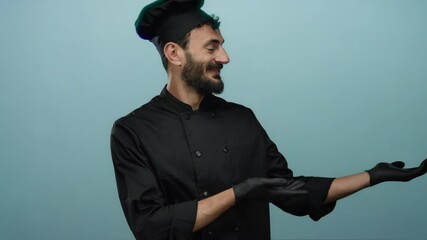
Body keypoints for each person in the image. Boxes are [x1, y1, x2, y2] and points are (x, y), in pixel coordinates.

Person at [110, 0, 427, 239]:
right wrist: (240, 191)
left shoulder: (241, 119)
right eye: (212, 47)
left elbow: (292, 192)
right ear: (175, 54)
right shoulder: (133, 131)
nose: (225, 57)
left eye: (223, 45)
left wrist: (373, 176)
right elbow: (150, 226)